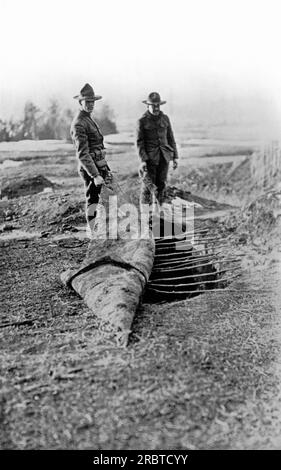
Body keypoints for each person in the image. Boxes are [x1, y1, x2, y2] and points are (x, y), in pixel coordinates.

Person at [70, 83, 111, 229]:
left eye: (92, 102)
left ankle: (104, 229)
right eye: (87, 102)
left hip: (99, 163)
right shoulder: (79, 123)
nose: (91, 105)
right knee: (93, 200)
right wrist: (95, 175)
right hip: (90, 169)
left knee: (108, 197)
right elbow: (82, 153)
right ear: (80, 102)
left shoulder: (88, 118)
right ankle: (93, 232)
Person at [136, 91, 179, 207]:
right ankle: (145, 218)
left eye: (158, 105)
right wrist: (143, 160)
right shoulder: (142, 121)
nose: (156, 108)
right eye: (153, 105)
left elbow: (170, 138)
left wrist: (175, 157)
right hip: (150, 159)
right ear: (147, 106)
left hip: (164, 157)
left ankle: (159, 215)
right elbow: (140, 143)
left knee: (162, 186)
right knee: (148, 188)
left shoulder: (165, 119)